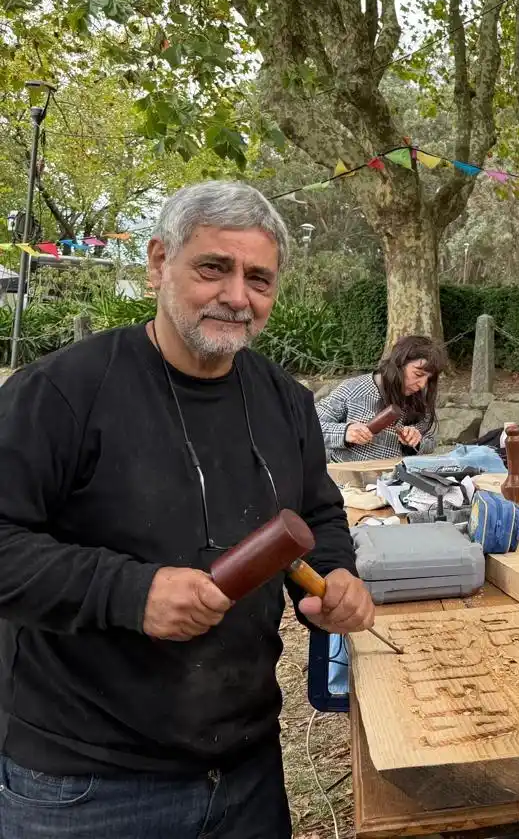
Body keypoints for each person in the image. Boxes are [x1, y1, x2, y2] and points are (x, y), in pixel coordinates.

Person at [0, 182, 374, 838]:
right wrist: (129, 591)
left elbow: (317, 515)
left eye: (259, 277)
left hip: (247, 772)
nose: (237, 295)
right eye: (214, 267)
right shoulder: (63, 392)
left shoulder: (286, 401)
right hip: (85, 786)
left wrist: (336, 574)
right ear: (156, 263)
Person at [317, 334, 446, 463]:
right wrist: (345, 433)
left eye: (428, 379)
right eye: (418, 374)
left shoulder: (419, 400)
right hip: (347, 478)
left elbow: (431, 441)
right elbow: (308, 426)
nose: (422, 385)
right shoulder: (353, 389)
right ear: (399, 363)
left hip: (396, 479)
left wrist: (417, 442)